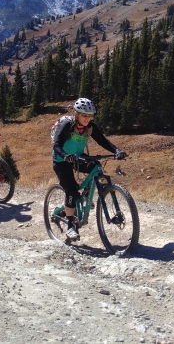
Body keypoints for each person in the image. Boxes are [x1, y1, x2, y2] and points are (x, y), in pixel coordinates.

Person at [51, 97, 126, 240]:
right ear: (76, 114)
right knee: (71, 190)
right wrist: (66, 156)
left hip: (77, 157)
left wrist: (116, 150)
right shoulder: (67, 125)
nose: (87, 118)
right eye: (84, 115)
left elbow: (103, 141)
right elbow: (56, 145)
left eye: (90, 115)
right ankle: (71, 226)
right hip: (61, 160)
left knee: (95, 166)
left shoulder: (90, 127)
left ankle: (85, 194)